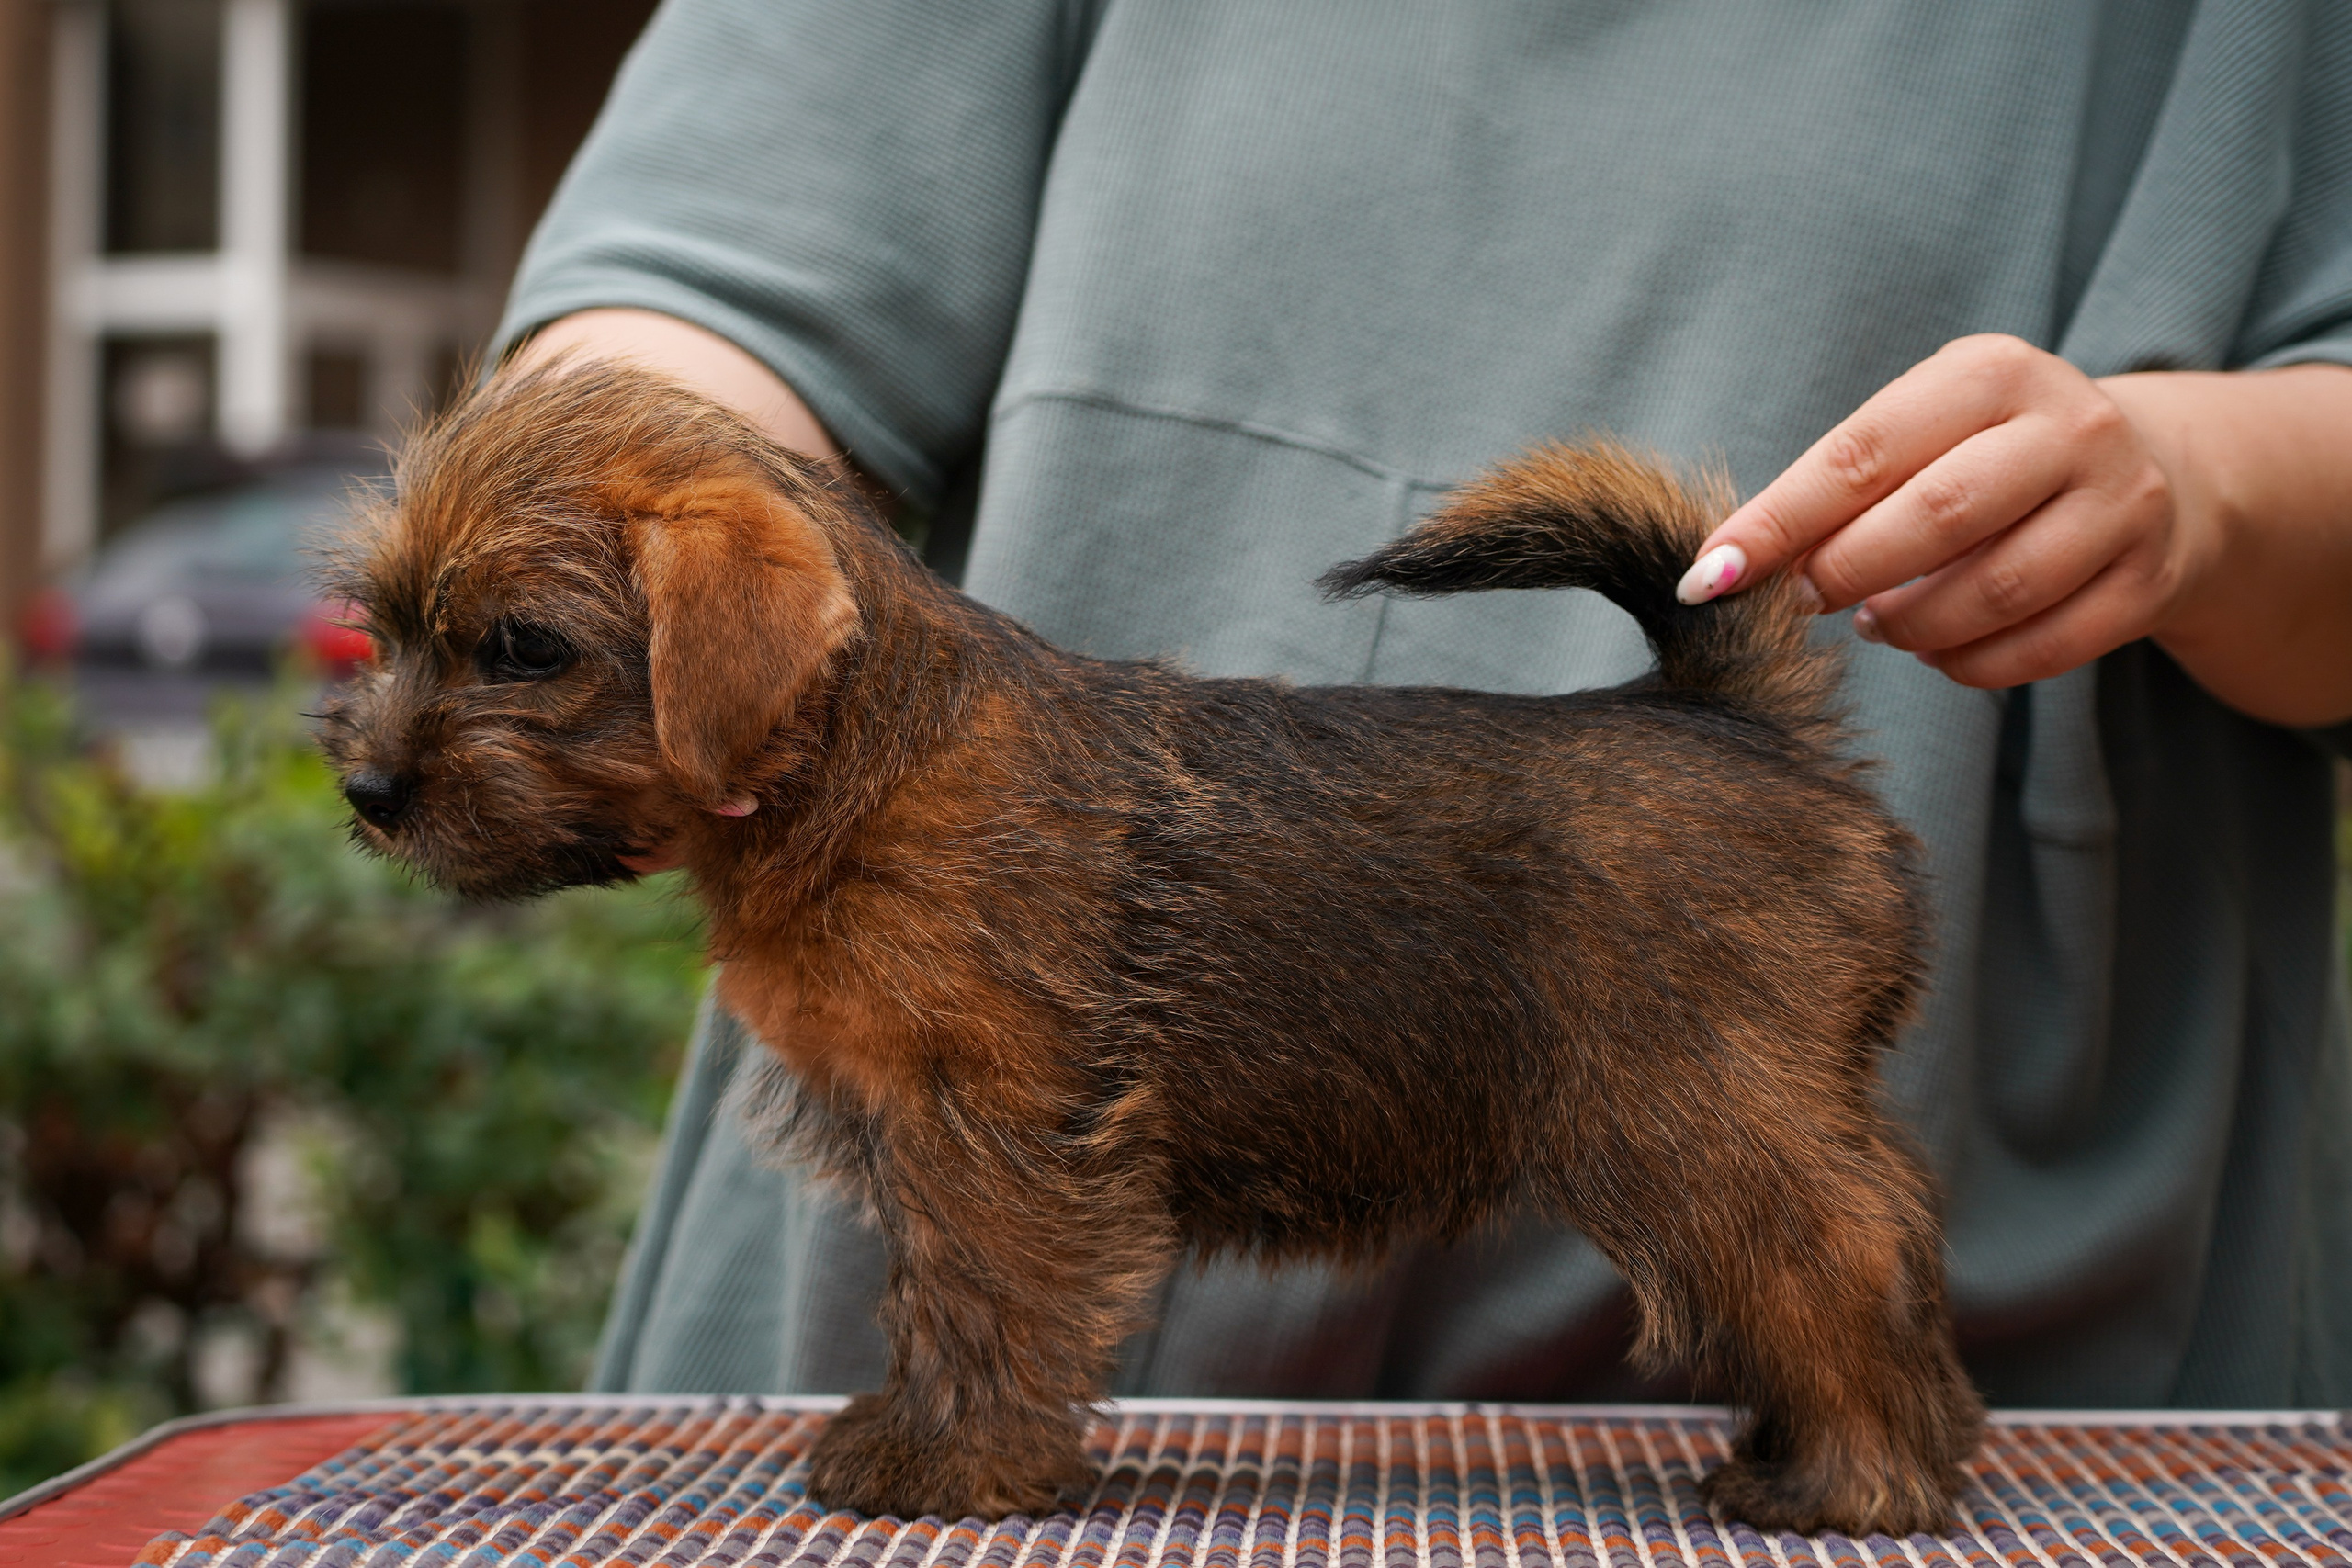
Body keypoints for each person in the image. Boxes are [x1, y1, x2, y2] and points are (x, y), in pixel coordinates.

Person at [491, 0, 2352, 1408]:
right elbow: (694, 285)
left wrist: (2193, 484)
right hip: (945, 1307)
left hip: (2023, 1334)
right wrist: (634, 580)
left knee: (1755, 1181)